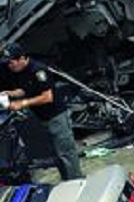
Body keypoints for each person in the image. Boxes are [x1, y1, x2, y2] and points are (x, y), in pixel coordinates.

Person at [0, 42, 83, 180]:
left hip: (56, 116)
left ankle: (76, 180)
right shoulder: (21, 72)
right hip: (42, 118)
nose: (10, 66)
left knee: (66, 152)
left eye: (11, 62)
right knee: (55, 153)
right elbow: (26, 89)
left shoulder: (38, 70)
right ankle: (66, 180)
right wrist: (10, 93)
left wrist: (23, 103)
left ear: (21, 58)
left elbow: (47, 97)